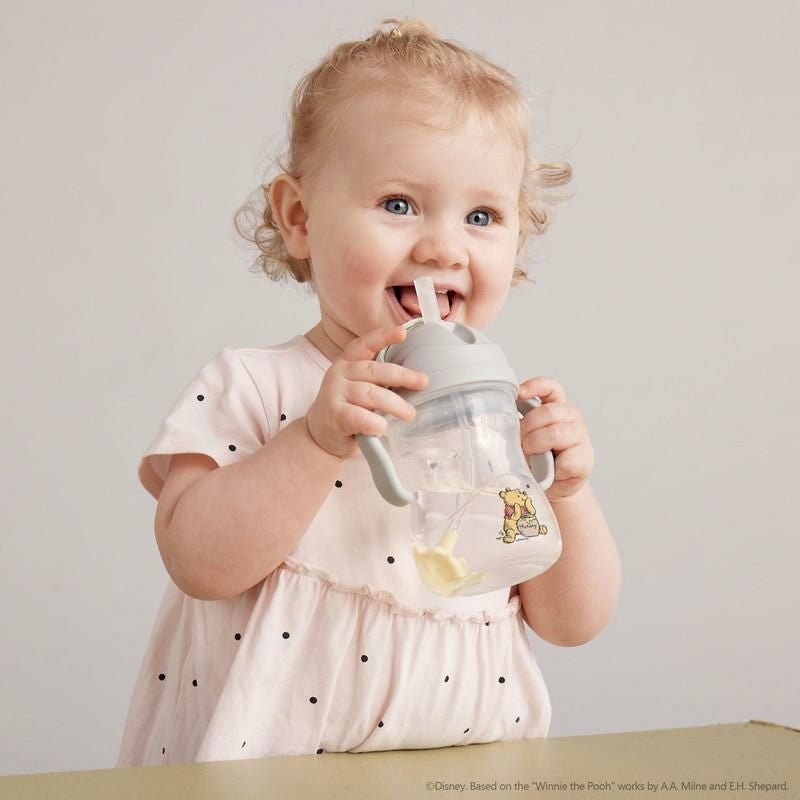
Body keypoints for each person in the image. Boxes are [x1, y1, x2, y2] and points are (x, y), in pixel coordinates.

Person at [116, 17, 621, 767]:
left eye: (481, 216)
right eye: (399, 204)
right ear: (300, 218)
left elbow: (572, 623)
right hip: (275, 772)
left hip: (469, 769)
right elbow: (198, 563)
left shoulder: (500, 416)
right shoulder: (254, 384)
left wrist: (568, 492)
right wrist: (313, 440)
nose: (444, 247)